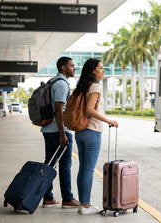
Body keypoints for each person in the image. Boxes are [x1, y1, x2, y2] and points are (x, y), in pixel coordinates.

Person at [72, 58, 118, 215]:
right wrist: (109, 120)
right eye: (100, 68)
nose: (103, 70)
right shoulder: (95, 86)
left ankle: (82, 203)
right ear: (93, 70)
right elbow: (90, 110)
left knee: (83, 168)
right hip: (92, 132)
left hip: (80, 132)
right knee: (89, 170)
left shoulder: (83, 86)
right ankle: (85, 205)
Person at [41, 57, 80, 209]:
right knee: (65, 165)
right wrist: (63, 133)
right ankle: (67, 198)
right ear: (63, 68)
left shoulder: (53, 82)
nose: (74, 68)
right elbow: (59, 110)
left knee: (50, 164)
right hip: (59, 130)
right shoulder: (62, 84)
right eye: (72, 66)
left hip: (49, 129)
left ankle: (48, 197)